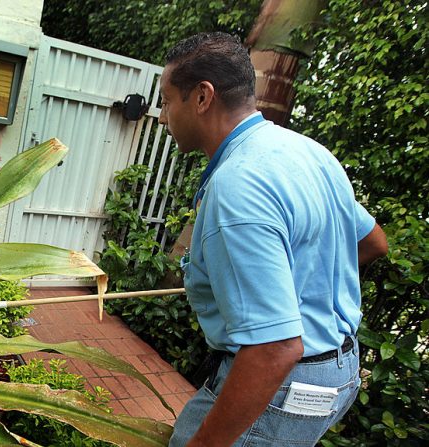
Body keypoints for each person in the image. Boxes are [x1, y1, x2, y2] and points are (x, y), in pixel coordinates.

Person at [159, 32, 389, 446]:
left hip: (284, 382)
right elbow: (373, 243)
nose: (162, 116)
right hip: (341, 370)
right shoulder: (309, 153)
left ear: (202, 97)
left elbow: (275, 347)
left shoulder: (238, 186)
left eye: (166, 100)